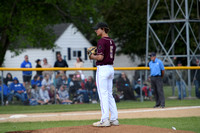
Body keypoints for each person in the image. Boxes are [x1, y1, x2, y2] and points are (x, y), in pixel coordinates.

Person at [89, 22, 119, 127]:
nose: (95, 30)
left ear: (103, 29)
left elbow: (100, 57)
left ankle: (104, 119)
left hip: (103, 69)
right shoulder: (112, 41)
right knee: (109, 94)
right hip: (110, 68)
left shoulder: (101, 41)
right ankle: (114, 119)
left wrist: (92, 56)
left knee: (103, 95)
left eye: (97, 29)